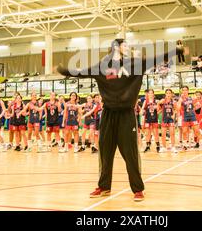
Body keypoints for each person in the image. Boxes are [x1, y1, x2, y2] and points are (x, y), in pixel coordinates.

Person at [57, 38, 175, 202]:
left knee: (130, 153)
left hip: (126, 114)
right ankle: (104, 186)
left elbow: (155, 59)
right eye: (125, 45)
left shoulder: (135, 64)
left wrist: (175, 51)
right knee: (105, 151)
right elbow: (80, 71)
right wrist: (64, 71)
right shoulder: (101, 66)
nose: (128, 48)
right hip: (108, 114)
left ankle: (138, 189)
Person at [158, 88, 176, 153]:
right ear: (165, 94)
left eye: (169, 93)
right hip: (164, 118)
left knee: (172, 133)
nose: (168, 94)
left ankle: (173, 147)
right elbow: (158, 107)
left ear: (171, 94)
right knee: (163, 134)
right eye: (167, 93)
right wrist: (158, 105)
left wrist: (174, 115)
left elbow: (175, 109)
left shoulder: (173, 101)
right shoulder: (162, 101)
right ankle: (164, 147)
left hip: (170, 119)